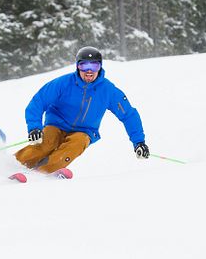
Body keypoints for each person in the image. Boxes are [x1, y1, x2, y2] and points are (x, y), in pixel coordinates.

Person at [15, 46, 149, 174]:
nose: (89, 71)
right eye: (84, 65)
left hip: (84, 131)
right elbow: (39, 101)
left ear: (100, 67)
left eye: (94, 66)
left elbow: (128, 115)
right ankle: (15, 165)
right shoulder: (63, 83)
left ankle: (42, 173)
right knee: (46, 143)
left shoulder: (108, 90)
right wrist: (34, 127)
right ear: (78, 66)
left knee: (76, 144)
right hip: (56, 125)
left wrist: (139, 142)